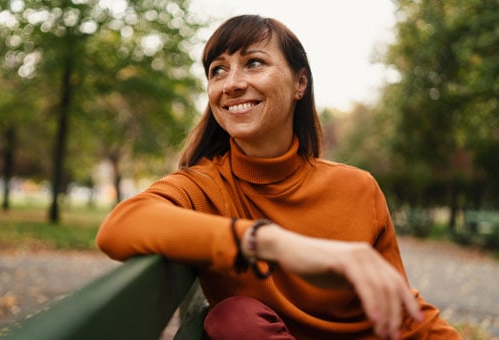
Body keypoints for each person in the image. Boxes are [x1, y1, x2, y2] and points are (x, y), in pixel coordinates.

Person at [97, 14, 461, 339]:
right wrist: (272, 243)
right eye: (217, 70)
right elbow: (120, 226)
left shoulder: (358, 188)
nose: (231, 84)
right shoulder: (205, 186)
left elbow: (402, 312)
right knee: (234, 318)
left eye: (253, 63)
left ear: (299, 83)